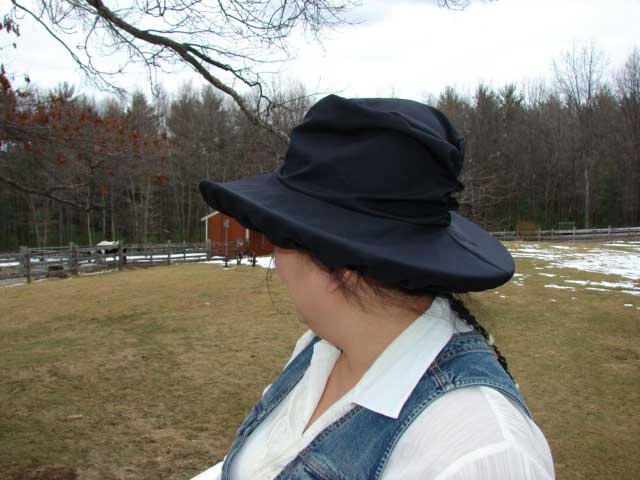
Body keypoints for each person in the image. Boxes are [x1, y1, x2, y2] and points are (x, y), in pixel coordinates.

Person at [194, 95, 555, 479]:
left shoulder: (477, 454)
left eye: (281, 238)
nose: (277, 264)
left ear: (339, 267)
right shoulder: (322, 349)